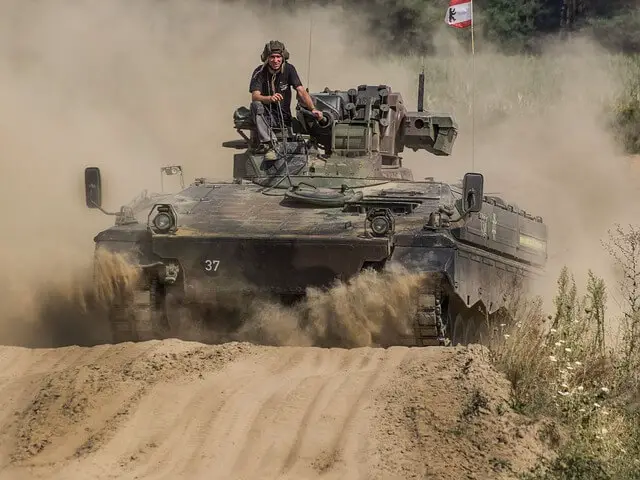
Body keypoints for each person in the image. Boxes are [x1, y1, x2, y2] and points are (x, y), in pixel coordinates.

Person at [249, 40, 323, 160]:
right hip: (266, 117)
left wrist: (313, 109)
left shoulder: (289, 69)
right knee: (256, 105)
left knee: (309, 100)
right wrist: (269, 98)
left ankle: (313, 141)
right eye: (272, 57)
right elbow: (255, 96)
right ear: (266, 58)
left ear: (283, 57)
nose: (275, 60)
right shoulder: (260, 72)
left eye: (278, 57)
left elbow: (301, 90)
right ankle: (269, 145)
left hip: (284, 117)